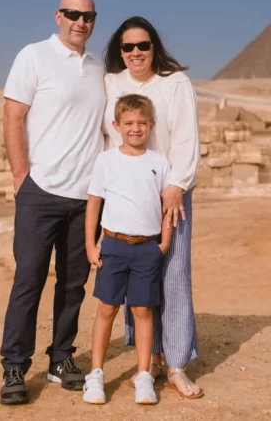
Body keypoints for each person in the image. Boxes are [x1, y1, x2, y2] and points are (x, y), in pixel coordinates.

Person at [0, 0, 106, 405]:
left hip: (86, 196)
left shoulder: (98, 67)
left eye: (88, 16)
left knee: (74, 284)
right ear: (58, 15)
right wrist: (21, 176)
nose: (81, 21)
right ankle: (14, 365)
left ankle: (61, 357)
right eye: (73, 14)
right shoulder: (34, 56)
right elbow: (13, 114)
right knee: (28, 280)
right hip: (40, 192)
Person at [102, 16, 204, 399]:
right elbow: (106, 137)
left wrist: (177, 186)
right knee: (140, 278)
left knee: (173, 275)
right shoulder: (111, 84)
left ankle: (177, 364)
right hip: (129, 194)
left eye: (142, 45)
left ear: (154, 47)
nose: (136, 53)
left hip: (170, 191)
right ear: (119, 50)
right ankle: (152, 358)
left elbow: (186, 137)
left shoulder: (175, 83)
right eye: (127, 46)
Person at [83, 94, 172, 405]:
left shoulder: (159, 162)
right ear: (116, 125)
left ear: (152, 125)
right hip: (113, 246)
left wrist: (164, 243)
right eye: (129, 123)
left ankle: (144, 375)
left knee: (142, 311)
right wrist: (90, 244)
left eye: (142, 123)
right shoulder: (106, 160)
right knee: (106, 309)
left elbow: (167, 205)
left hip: (147, 248)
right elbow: (94, 203)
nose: (136, 128)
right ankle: (95, 374)